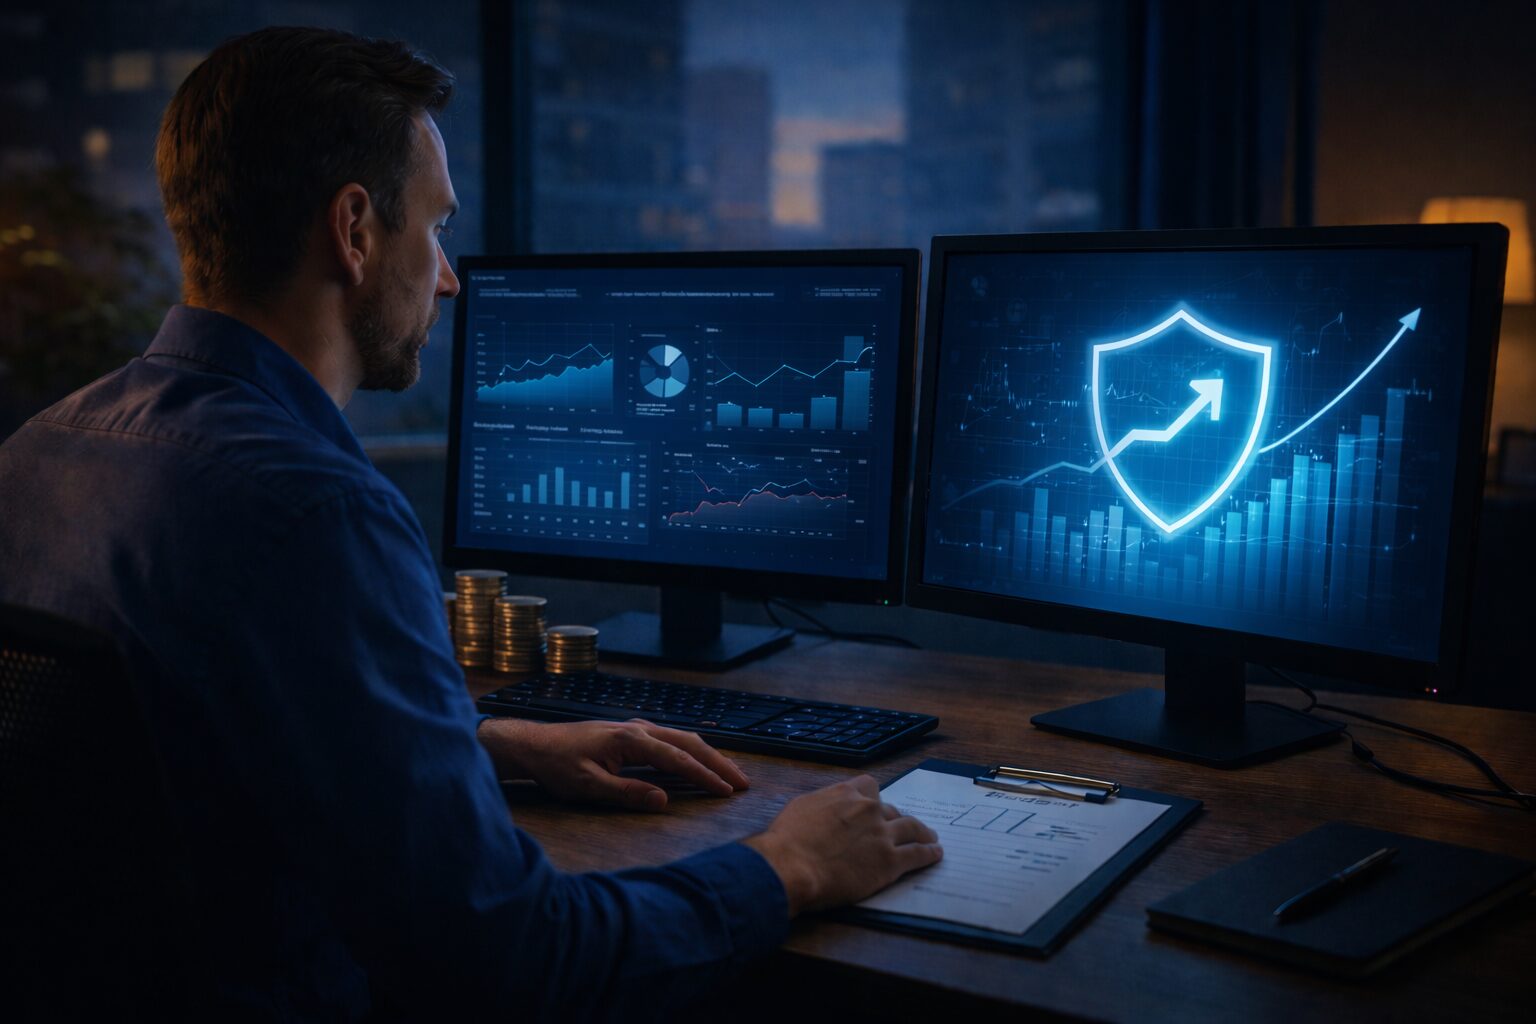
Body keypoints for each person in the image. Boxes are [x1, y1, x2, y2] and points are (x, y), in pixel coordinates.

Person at [0, 25, 940, 1022]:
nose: (447, 276)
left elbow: (172, 753)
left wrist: (485, 741)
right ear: (356, 231)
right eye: (436, 227)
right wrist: (784, 867)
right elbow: (518, 961)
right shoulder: (318, 513)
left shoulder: (37, 452)